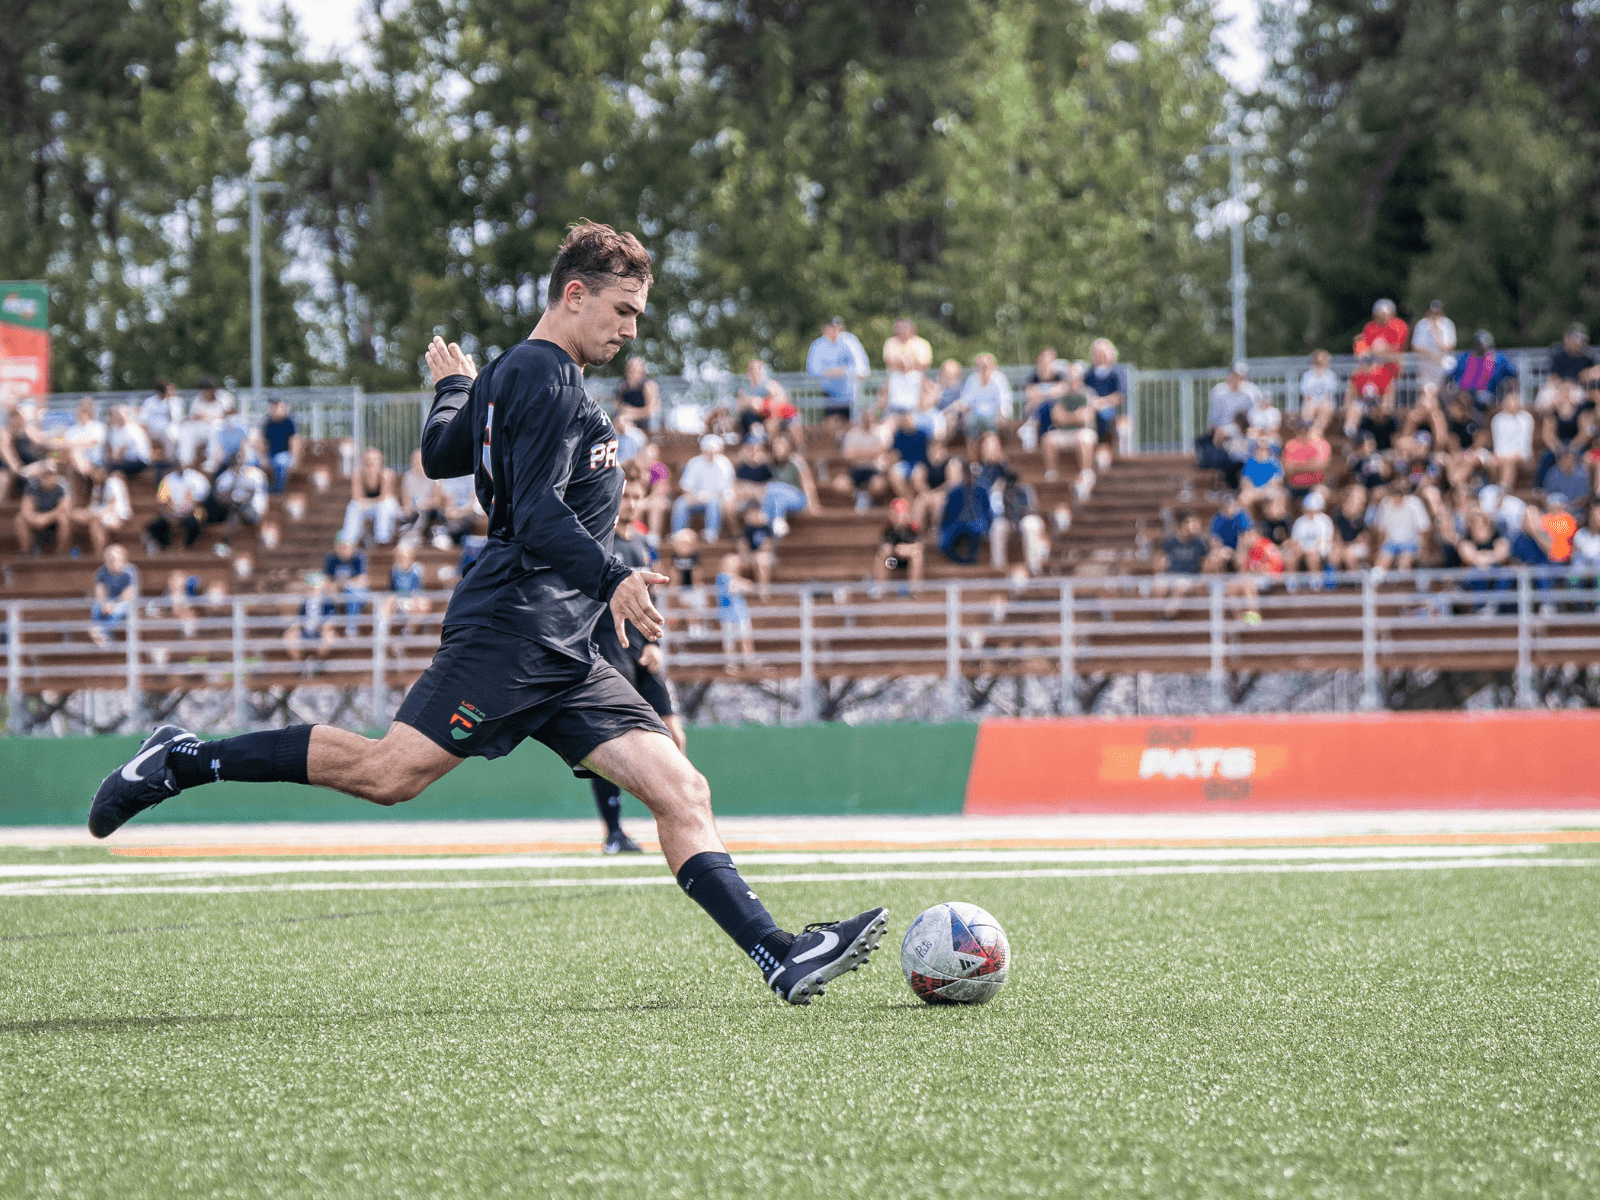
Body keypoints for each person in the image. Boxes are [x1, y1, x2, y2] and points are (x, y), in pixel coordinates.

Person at [89, 221, 888, 1007]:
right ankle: (182, 758)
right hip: (514, 623)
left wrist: (457, 388)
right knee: (387, 774)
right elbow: (536, 514)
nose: (631, 329)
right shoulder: (545, 375)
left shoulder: (516, 372)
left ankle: (778, 954)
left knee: (682, 790)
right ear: (574, 295)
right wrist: (613, 574)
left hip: (566, 644)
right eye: (623, 310)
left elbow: (442, 454)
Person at [588, 477, 681, 853]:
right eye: (624, 495)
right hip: (610, 649)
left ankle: (680, 814)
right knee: (609, 747)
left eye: (636, 496)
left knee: (675, 735)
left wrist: (657, 643)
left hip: (643, 652)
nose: (629, 502)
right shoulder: (599, 540)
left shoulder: (642, 544)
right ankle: (613, 831)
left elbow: (652, 601)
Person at [805, 315, 870, 426]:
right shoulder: (818, 345)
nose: (835, 331)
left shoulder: (851, 342)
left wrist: (845, 371)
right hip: (829, 393)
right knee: (831, 423)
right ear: (825, 329)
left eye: (837, 327)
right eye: (831, 327)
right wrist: (831, 372)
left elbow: (862, 368)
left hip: (850, 394)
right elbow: (812, 369)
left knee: (851, 424)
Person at [672, 434, 736, 542]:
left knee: (714, 503)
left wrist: (711, 496)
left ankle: (711, 534)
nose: (711, 453)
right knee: (680, 504)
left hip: (716, 499)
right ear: (703, 450)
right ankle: (677, 535)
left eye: (714, 451)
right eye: (708, 450)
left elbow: (727, 488)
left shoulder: (725, 463)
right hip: (695, 498)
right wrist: (694, 496)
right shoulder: (694, 462)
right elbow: (686, 486)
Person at [1152, 511, 1210, 618]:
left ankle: (1166, 618)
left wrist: (1201, 581)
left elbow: (1206, 565)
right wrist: (1158, 573)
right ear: (1183, 524)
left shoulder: (1200, 543)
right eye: (1192, 522)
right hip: (1171, 575)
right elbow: (1159, 559)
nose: (1196, 525)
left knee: (1180, 586)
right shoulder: (1170, 541)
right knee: (1159, 585)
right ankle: (1159, 615)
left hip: (1190, 578)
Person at [1082, 338, 1128, 464]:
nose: (1100, 355)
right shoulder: (1089, 374)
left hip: (1111, 409)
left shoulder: (1118, 372)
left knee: (1104, 416)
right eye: (1097, 352)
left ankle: (1104, 446)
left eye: (1103, 352)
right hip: (1092, 408)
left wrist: (1100, 402)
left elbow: (1120, 396)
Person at [342, 446, 401, 545]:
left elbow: (384, 497)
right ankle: (349, 540)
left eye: (374, 460)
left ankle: (382, 539)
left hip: (388, 507)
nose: (371, 463)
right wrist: (365, 503)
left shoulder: (387, 474)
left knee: (384, 506)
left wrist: (366, 502)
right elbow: (356, 497)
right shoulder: (358, 475)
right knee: (353, 506)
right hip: (370, 506)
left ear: (380, 461)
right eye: (368, 460)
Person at [763, 431, 818, 536]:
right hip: (775, 499)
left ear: (788, 447)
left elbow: (807, 483)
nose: (778, 449)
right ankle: (775, 527)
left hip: (797, 498)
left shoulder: (796, 461)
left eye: (781, 446)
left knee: (774, 491)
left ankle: (774, 524)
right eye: (775, 446)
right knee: (772, 496)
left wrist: (812, 504)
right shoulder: (768, 463)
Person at [1538, 323, 1599, 411]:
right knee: (1544, 398)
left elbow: (1587, 377)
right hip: (1559, 388)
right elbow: (1553, 377)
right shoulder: (1558, 356)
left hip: (1577, 389)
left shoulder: (1587, 359)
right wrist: (1564, 388)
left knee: (1579, 397)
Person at [15, 459, 71, 554]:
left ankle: (61, 552)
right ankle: (26, 552)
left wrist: (46, 517)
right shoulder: (32, 485)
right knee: (19, 519)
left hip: (54, 518)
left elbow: (63, 508)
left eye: (51, 474)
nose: (48, 477)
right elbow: (26, 508)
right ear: (40, 475)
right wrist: (35, 519)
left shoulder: (63, 485)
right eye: (45, 475)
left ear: (56, 474)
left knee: (64, 519)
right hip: (36, 517)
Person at [881, 317, 933, 417]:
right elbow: (890, 362)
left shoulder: (922, 343)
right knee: (891, 383)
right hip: (895, 378)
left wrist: (907, 364)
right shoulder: (891, 342)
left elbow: (924, 364)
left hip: (917, 378)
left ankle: (917, 414)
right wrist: (904, 364)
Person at [958, 353, 1013, 447]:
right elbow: (965, 401)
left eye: (984, 366)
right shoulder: (972, 379)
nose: (981, 369)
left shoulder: (999, 379)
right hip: (975, 415)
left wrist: (1001, 416)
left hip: (994, 416)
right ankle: (973, 460)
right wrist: (964, 415)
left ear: (993, 366)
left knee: (991, 427)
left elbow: (1004, 401)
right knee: (970, 425)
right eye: (978, 366)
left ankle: (991, 455)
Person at [1452, 331, 1518, 409]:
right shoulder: (1464, 358)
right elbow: (1452, 377)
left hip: (1490, 396)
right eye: (1478, 344)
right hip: (1464, 395)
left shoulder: (1499, 359)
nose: (1481, 346)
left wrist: (1509, 395)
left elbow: (1513, 375)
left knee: (1482, 398)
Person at [90, 544, 139, 647]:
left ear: (122, 559)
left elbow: (129, 593)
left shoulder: (129, 572)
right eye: (109, 560)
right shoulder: (101, 572)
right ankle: (104, 637)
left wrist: (113, 604)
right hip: (108, 601)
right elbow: (100, 591)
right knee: (96, 608)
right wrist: (104, 603)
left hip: (124, 602)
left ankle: (100, 632)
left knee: (117, 610)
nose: (112, 562)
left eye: (115, 559)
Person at [1373, 485, 1431, 570]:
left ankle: (1403, 580)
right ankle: (1371, 582)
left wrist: (1423, 548)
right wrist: (1379, 548)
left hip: (1411, 542)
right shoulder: (1385, 503)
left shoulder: (1414, 503)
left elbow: (1424, 528)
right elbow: (1381, 530)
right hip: (1391, 543)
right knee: (1379, 566)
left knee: (1404, 563)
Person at [382, 540, 432, 637]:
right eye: (400, 556)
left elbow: (419, 589)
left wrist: (412, 599)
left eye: (406, 555)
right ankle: (382, 633)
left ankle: (408, 630)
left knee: (423, 603)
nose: (403, 558)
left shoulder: (417, 569)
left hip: (413, 599)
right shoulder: (394, 569)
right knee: (387, 601)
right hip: (398, 599)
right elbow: (391, 590)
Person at [874, 497, 924, 590]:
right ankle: (880, 589)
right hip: (893, 562)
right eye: (897, 514)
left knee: (917, 555)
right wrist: (893, 550)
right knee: (882, 555)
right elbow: (884, 545)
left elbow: (919, 545)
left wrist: (907, 549)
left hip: (909, 560)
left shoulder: (913, 528)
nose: (900, 517)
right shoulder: (888, 528)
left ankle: (915, 590)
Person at [1490, 390, 1535, 490]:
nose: (1514, 404)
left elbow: (1525, 443)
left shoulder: (1526, 418)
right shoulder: (1497, 419)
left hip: (1522, 454)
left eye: (1515, 401)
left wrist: (1511, 456)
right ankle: (1494, 488)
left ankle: (1504, 491)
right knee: (1492, 462)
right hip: (1502, 454)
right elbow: (1498, 442)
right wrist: (1499, 455)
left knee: (1508, 462)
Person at [1411, 301, 1457, 392]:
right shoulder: (1421, 324)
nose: (1435, 315)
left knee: (1441, 390)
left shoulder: (1448, 324)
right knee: (1425, 390)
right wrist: (1430, 355)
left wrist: (1436, 333)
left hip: (1442, 363)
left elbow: (1451, 345)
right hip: (1425, 363)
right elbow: (1415, 346)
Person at [1288, 492, 1335, 576]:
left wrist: (1311, 550)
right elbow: (1294, 541)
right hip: (1302, 549)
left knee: (1312, 558)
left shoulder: (1325, 521)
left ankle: (1316, 583)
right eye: (1309, 510)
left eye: (1314, 510)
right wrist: (1300, 549)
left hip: (1320, 551)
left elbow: (1325, 541)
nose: (1312, 513)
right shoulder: (1300, 521)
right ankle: (1292, 583)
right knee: (1290, 558)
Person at [262, 396, 300, 493]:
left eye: (276, 405)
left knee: (280, 462)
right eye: (272, 405)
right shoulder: (268, 422)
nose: (273, 408)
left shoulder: (289, 421)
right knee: (252, 463)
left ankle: (278, 491)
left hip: (284, 454)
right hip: (270, 455)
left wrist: (294, 458)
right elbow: (263, 442)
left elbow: (294, 441)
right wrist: (263, 458)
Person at [1298, 349, 1340, 434]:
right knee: (1309, 407)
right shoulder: (1308, 375)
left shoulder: (1330, 375)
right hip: (1312, 402)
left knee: (1326, 407)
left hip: (1325, 402)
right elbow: (1306, 396)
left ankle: (1315, 432)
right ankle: (1309, 430)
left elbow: (1329, 395)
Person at [103, 405, 152, 477]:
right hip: (127, 460)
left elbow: (119, 453)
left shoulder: (131, 429)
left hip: (139, 461)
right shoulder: (114, 430)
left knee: (110, 469)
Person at [612, 355, 660, 429]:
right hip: (624, 422)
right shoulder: (622, 386)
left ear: (642, 370)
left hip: (644, 423)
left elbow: (652, 410)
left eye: (635, 367)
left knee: (621, 421)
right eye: (630, 368)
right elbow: (616, 407)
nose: (632, 370)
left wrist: (632, 413)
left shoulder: (648, 385)